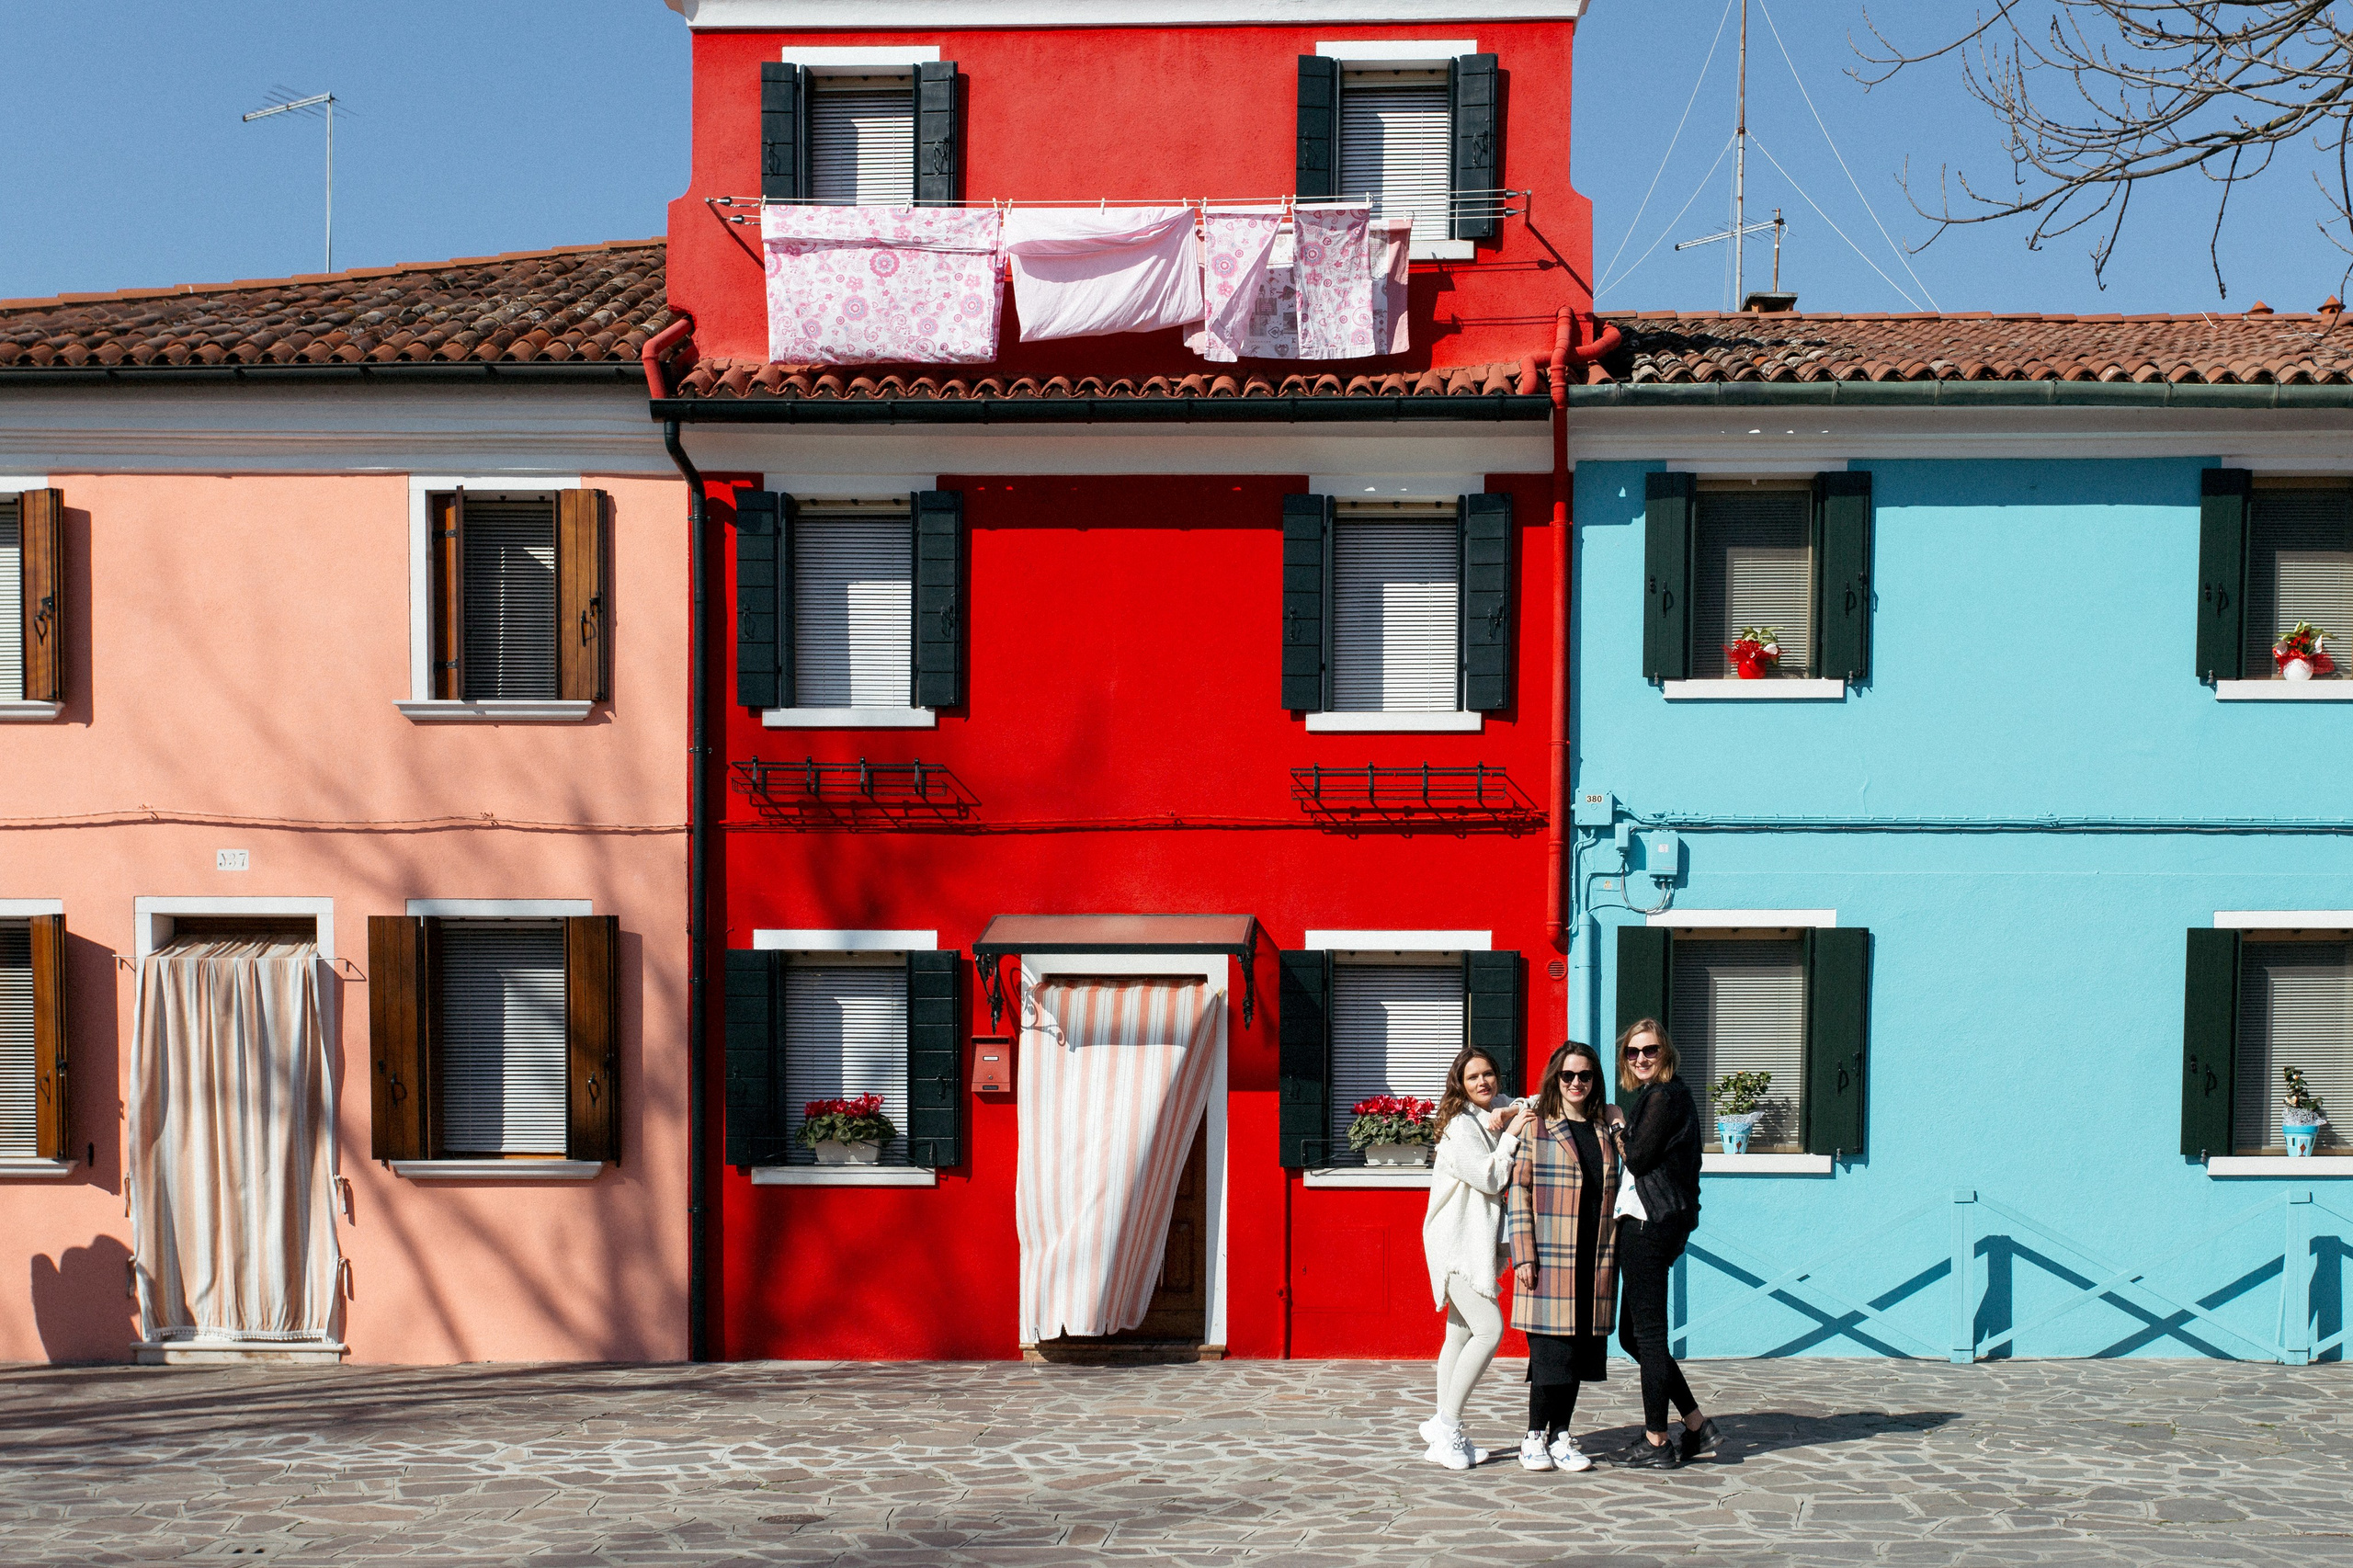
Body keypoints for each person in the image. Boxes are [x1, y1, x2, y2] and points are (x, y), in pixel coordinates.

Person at [1504, 1040, 1620, 1473]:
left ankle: (1562, 1436)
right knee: (1551, 1355)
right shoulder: (1536, 1127)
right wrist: (1523, 1255)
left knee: (1581, 1354)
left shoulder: (1605, 1130)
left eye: (1584, 1076)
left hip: (1596, 1257)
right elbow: (1519, 1193)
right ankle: (1534, 1436)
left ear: (1595, 1081)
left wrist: (1621, 1124)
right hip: (1550, 1257)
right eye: (1568, 1075)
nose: (1576, 1083)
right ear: (1556, 1078)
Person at [1611, 1017, 1721, 1469]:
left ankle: (1658, 1441)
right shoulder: (1667, 1096)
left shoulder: (1664, 1094)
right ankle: (1696, 1425)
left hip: (1648, 1225)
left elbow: (1637, 1158)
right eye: (1633, 1052)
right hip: (1658, 1223)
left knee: (1648, 1337)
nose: (1641, 1059)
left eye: (1650, 1050)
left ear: (1665, 1052)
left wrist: (1618, 1125)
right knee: (1633, 1336)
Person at [1417, 1046, 1533, 1469]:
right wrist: (1511, 1134)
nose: (1483, 1082)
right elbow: (1490, 1176)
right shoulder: (1458, 1128)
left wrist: (1510, 1112)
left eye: (1488, 1074)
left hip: (1471, 1241)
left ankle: (1440, 1426)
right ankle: (1448, 1426)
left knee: (1460, 1335)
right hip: (1456, 1244)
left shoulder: (1492, 1108)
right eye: (1473, 1078)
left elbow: (1530, 1103)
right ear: (1460, 1085)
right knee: (1489, 1330)